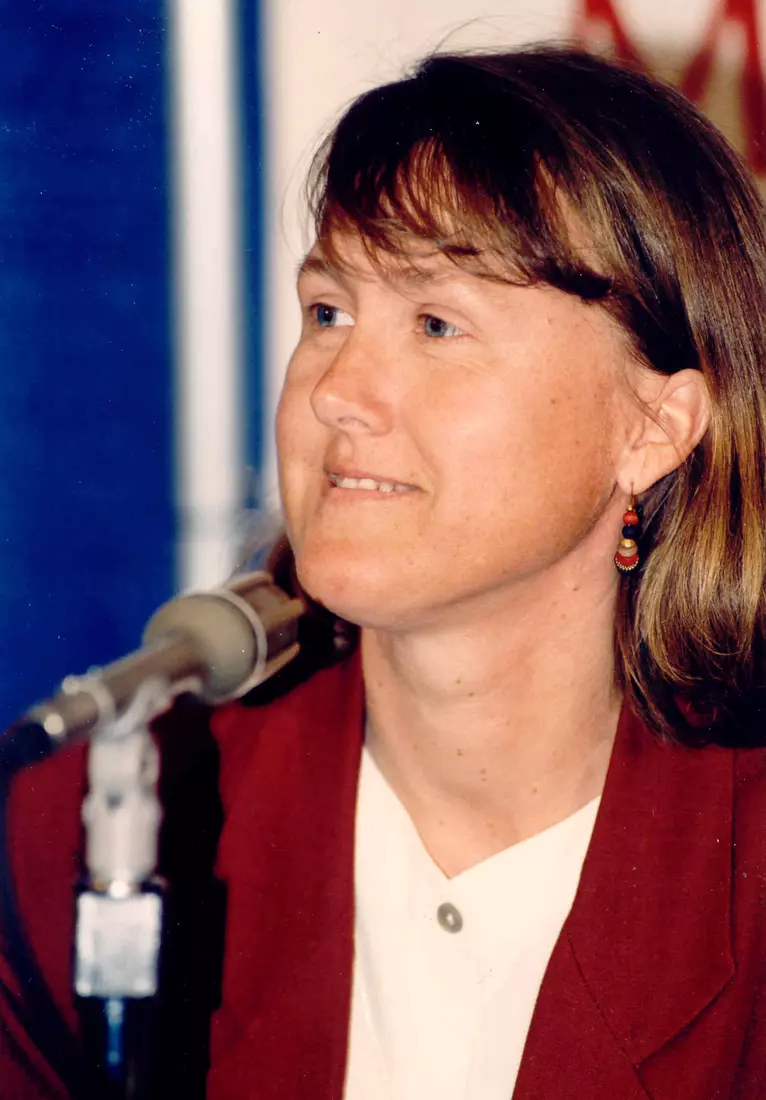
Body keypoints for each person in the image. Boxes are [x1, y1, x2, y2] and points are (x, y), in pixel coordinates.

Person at [3, 43, 766, 1100]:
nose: (335, 390)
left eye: (437, 322)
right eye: (327, 313)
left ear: (653, 426)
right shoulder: (90, 836)